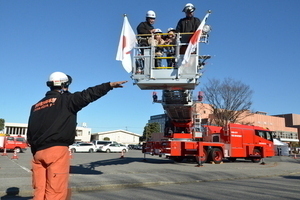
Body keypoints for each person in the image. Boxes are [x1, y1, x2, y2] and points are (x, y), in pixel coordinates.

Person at [27, 72, 127, 200]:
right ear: (65, 85)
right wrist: (109, 85)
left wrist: (36, 152)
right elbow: (88, 94)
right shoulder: (67, 101)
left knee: (39, 192)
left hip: (38, 153)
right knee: (55, 192)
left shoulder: (35, 107)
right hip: (56, 151)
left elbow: (30, 133)